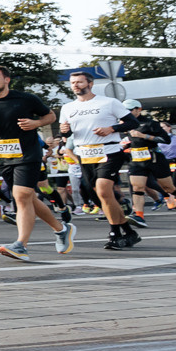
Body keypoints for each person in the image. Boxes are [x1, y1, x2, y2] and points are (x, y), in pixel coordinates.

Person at [0, 64, 71, 261]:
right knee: (27, 199)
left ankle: (21, 245)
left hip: (28, 154)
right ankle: (61, 229)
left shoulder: (25, 98)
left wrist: (36, 123)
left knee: (21, 196)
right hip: (4, 157)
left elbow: (50, 116)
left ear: (6, 80)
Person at [57, 69, 138, 249]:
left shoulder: (109, 102)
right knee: (102, 196)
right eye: (72, 83)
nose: (75, 85)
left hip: (109, 151)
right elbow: (66, 134)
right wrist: (64, 131)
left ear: (90, 83)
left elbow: (133, 123)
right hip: (85, 154)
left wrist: (112, 128)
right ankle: (128, 231)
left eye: (79, 82)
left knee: (103, 191)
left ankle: (114, 233)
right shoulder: (68, 107)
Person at [122, 101, 174, 219]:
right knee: (137, 187)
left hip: (155, 158)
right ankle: (139, 216)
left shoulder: (150, 123)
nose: (127, 113)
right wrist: (126, 145)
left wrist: (144, 136)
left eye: (129, 110)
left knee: (168, 188)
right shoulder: (125, 124)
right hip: (137, 160)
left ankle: (172, 198)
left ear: (138, 109)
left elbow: (166, 140)